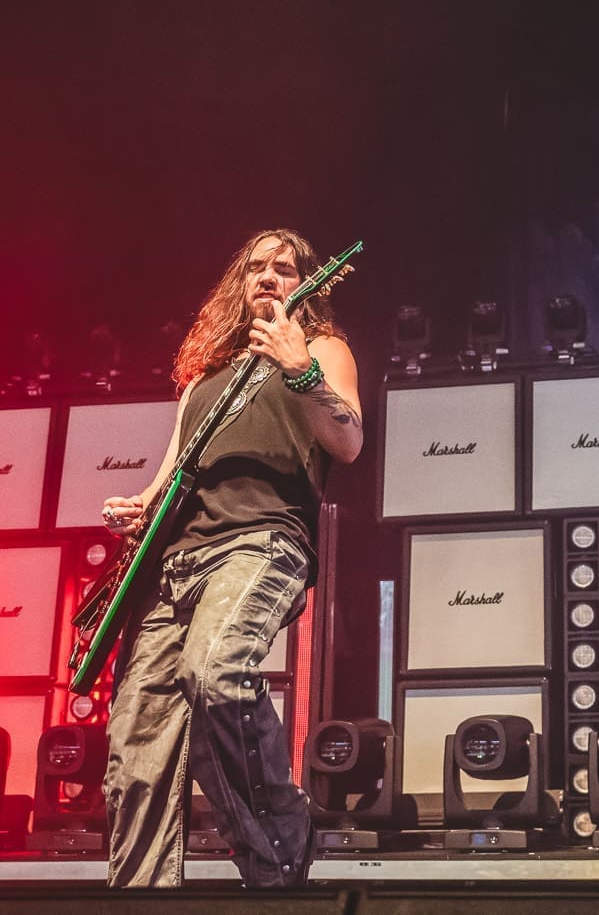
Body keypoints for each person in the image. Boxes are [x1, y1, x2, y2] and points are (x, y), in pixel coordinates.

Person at [98, 229, 362, 888]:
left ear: (307, 282)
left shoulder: (321, 348)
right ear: (239, 283)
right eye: (256, 267)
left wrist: (300, 367)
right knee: (136, 741)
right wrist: (139, 506)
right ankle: (138, 896)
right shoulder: (203, 378)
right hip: (174, 566)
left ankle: (277, 851)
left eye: (284, 267)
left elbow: (349, 440)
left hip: (260, 541)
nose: (268, 275)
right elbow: (169, 476)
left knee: (215, 670)